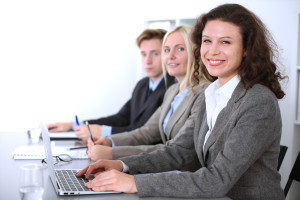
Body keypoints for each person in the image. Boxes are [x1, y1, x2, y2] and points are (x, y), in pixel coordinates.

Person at [76, 4, 286, 199]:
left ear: (247, 48)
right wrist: (121, 165)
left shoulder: (258, 102)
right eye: (207, 41)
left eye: (225, 42)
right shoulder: (212, 93)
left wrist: (134, 182)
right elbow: (179, 151)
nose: (212, 51)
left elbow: (217, 179)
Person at [87, 26, 209, 168]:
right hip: (165, 168)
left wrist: (112, 153)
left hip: (183, 175)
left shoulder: (204, 93)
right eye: (167, 50)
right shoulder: (173, 91)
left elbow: (177, 149)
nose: (170, 56)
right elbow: (147, 133)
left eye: (180, 49)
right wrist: (109, 141)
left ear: (196, 52)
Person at [47, 29, 175, 141]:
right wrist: (74, 125)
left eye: (155, 54)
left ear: (166, 54)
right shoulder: (142, 85)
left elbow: (143, 132)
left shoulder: (173, 88)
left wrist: (103, 131)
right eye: (143, 54)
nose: (147, 61)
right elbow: (121, 118)